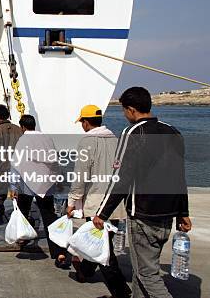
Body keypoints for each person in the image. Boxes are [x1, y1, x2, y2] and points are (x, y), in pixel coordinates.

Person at [94, 87, 191, 298]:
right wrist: (183, 212)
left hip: (144, 215)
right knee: (141, 271)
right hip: (167, 216)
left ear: (130, 110)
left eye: (123, 110)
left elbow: (121, 177)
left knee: (148, 275)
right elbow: (179, 176)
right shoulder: (173, 132)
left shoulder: (133, 132)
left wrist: (102, 213)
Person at [66, 105, 131, 298]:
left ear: (86, 122)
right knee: (101, 242)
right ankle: (85, 272)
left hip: (97, 204)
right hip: (117, 203)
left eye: (82, 123)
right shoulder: (117, 140)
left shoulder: (87, 142)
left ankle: (121, 293)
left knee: (103, 251)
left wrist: (72, 201)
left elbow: (80, 176)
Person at [11, 114, 68, 268]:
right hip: (46, 184)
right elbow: (55, 161)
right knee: (49, 217)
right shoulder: (47, 139)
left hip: (27, 183)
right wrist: (59, 180)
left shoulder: (23, 140)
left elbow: (16, 165)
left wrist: (13, 187)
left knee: (23, 212)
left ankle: (23, 239)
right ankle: (59, 253)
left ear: (22, 127)